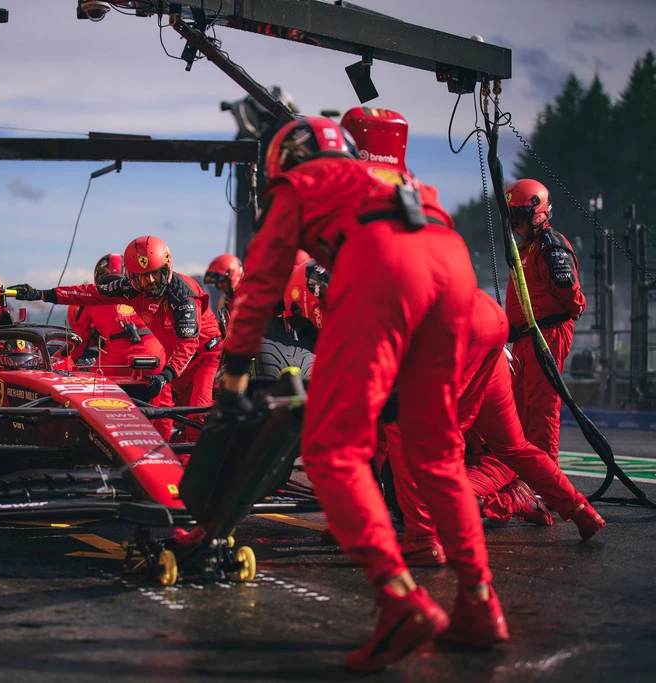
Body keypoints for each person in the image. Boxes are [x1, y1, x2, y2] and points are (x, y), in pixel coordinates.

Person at [220, 115, 504, 672]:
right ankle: (479, 602)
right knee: (437, 451)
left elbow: (260, 282)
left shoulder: (297, 184)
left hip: (381, 264)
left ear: (286, 159)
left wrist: (234, 370)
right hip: (452, 263)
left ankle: (399, 602)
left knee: (332, 450)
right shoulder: (394, 179)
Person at [383, 290, 605, 567]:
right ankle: (581, 510)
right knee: (514, 446)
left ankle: (510, 503)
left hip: (487, 459)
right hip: (484, 327)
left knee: (421, 487)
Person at [11, 236, 221, 437]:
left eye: (154, 274)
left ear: (166, 269)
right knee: (179, 418)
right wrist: (40, 294)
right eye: (141, 276)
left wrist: (165, 376)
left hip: (202, 358)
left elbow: (188, 343)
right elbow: (88, 293)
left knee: (196, 415)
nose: (149, 281)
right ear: (130, 276)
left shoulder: (183, 295)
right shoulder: (129, 290)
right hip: (172, 361)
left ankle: (193, 468)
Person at [504, 179, 585, 463]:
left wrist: (574, 310)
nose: (514, 223)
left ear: (535, 213)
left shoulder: (548, 244)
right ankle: (524, 477)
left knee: (541, 408)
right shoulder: (526, 247)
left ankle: (544, 483)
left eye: (518, 215)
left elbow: (570, 294)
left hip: (546, 333)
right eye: (511, 216)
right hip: (526, 338)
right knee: (518, 409)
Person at [67, 253, 172, 440]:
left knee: (87, 390)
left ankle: (94, 439)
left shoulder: (93, 296)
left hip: (115, 357)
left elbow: (78, 339)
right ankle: (164, 448)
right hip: (154, 352)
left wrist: (68, 363)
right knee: (164, 400)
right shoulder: (149, 292)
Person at [203, 254, 243, 334]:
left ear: (232, 275)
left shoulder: (249, 295)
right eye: (217, 282)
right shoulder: (227, 300)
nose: (219, 285)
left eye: (222, 280)